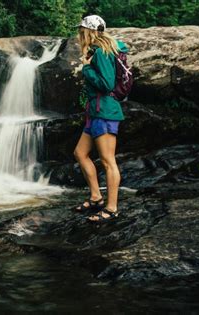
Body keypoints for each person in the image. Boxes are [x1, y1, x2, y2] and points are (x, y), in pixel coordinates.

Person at [73, 15, 128, 222]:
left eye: (81, 31)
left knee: (107, 161)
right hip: (95, 111)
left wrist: (86, 68)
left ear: (87, 32)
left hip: (105, 111)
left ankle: (112, 208)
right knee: (80, 153)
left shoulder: (102, 52)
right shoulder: (97, 50)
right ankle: (96, 197)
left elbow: (106, 84)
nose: (79, 35)